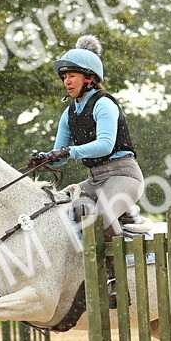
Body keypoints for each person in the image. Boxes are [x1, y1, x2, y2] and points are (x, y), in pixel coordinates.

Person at [29, 35, 144, 241]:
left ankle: (117, 271)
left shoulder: (104, 104)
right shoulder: (69, 113)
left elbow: (105, 145)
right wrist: (46, 157)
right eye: (64, 77)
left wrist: (70, 151)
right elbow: (62, 154)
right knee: (58, 208)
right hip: (94, 180)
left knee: (98, 221)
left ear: (89, 78)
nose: (67, 81)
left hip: (123, 176)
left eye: (72, 75)